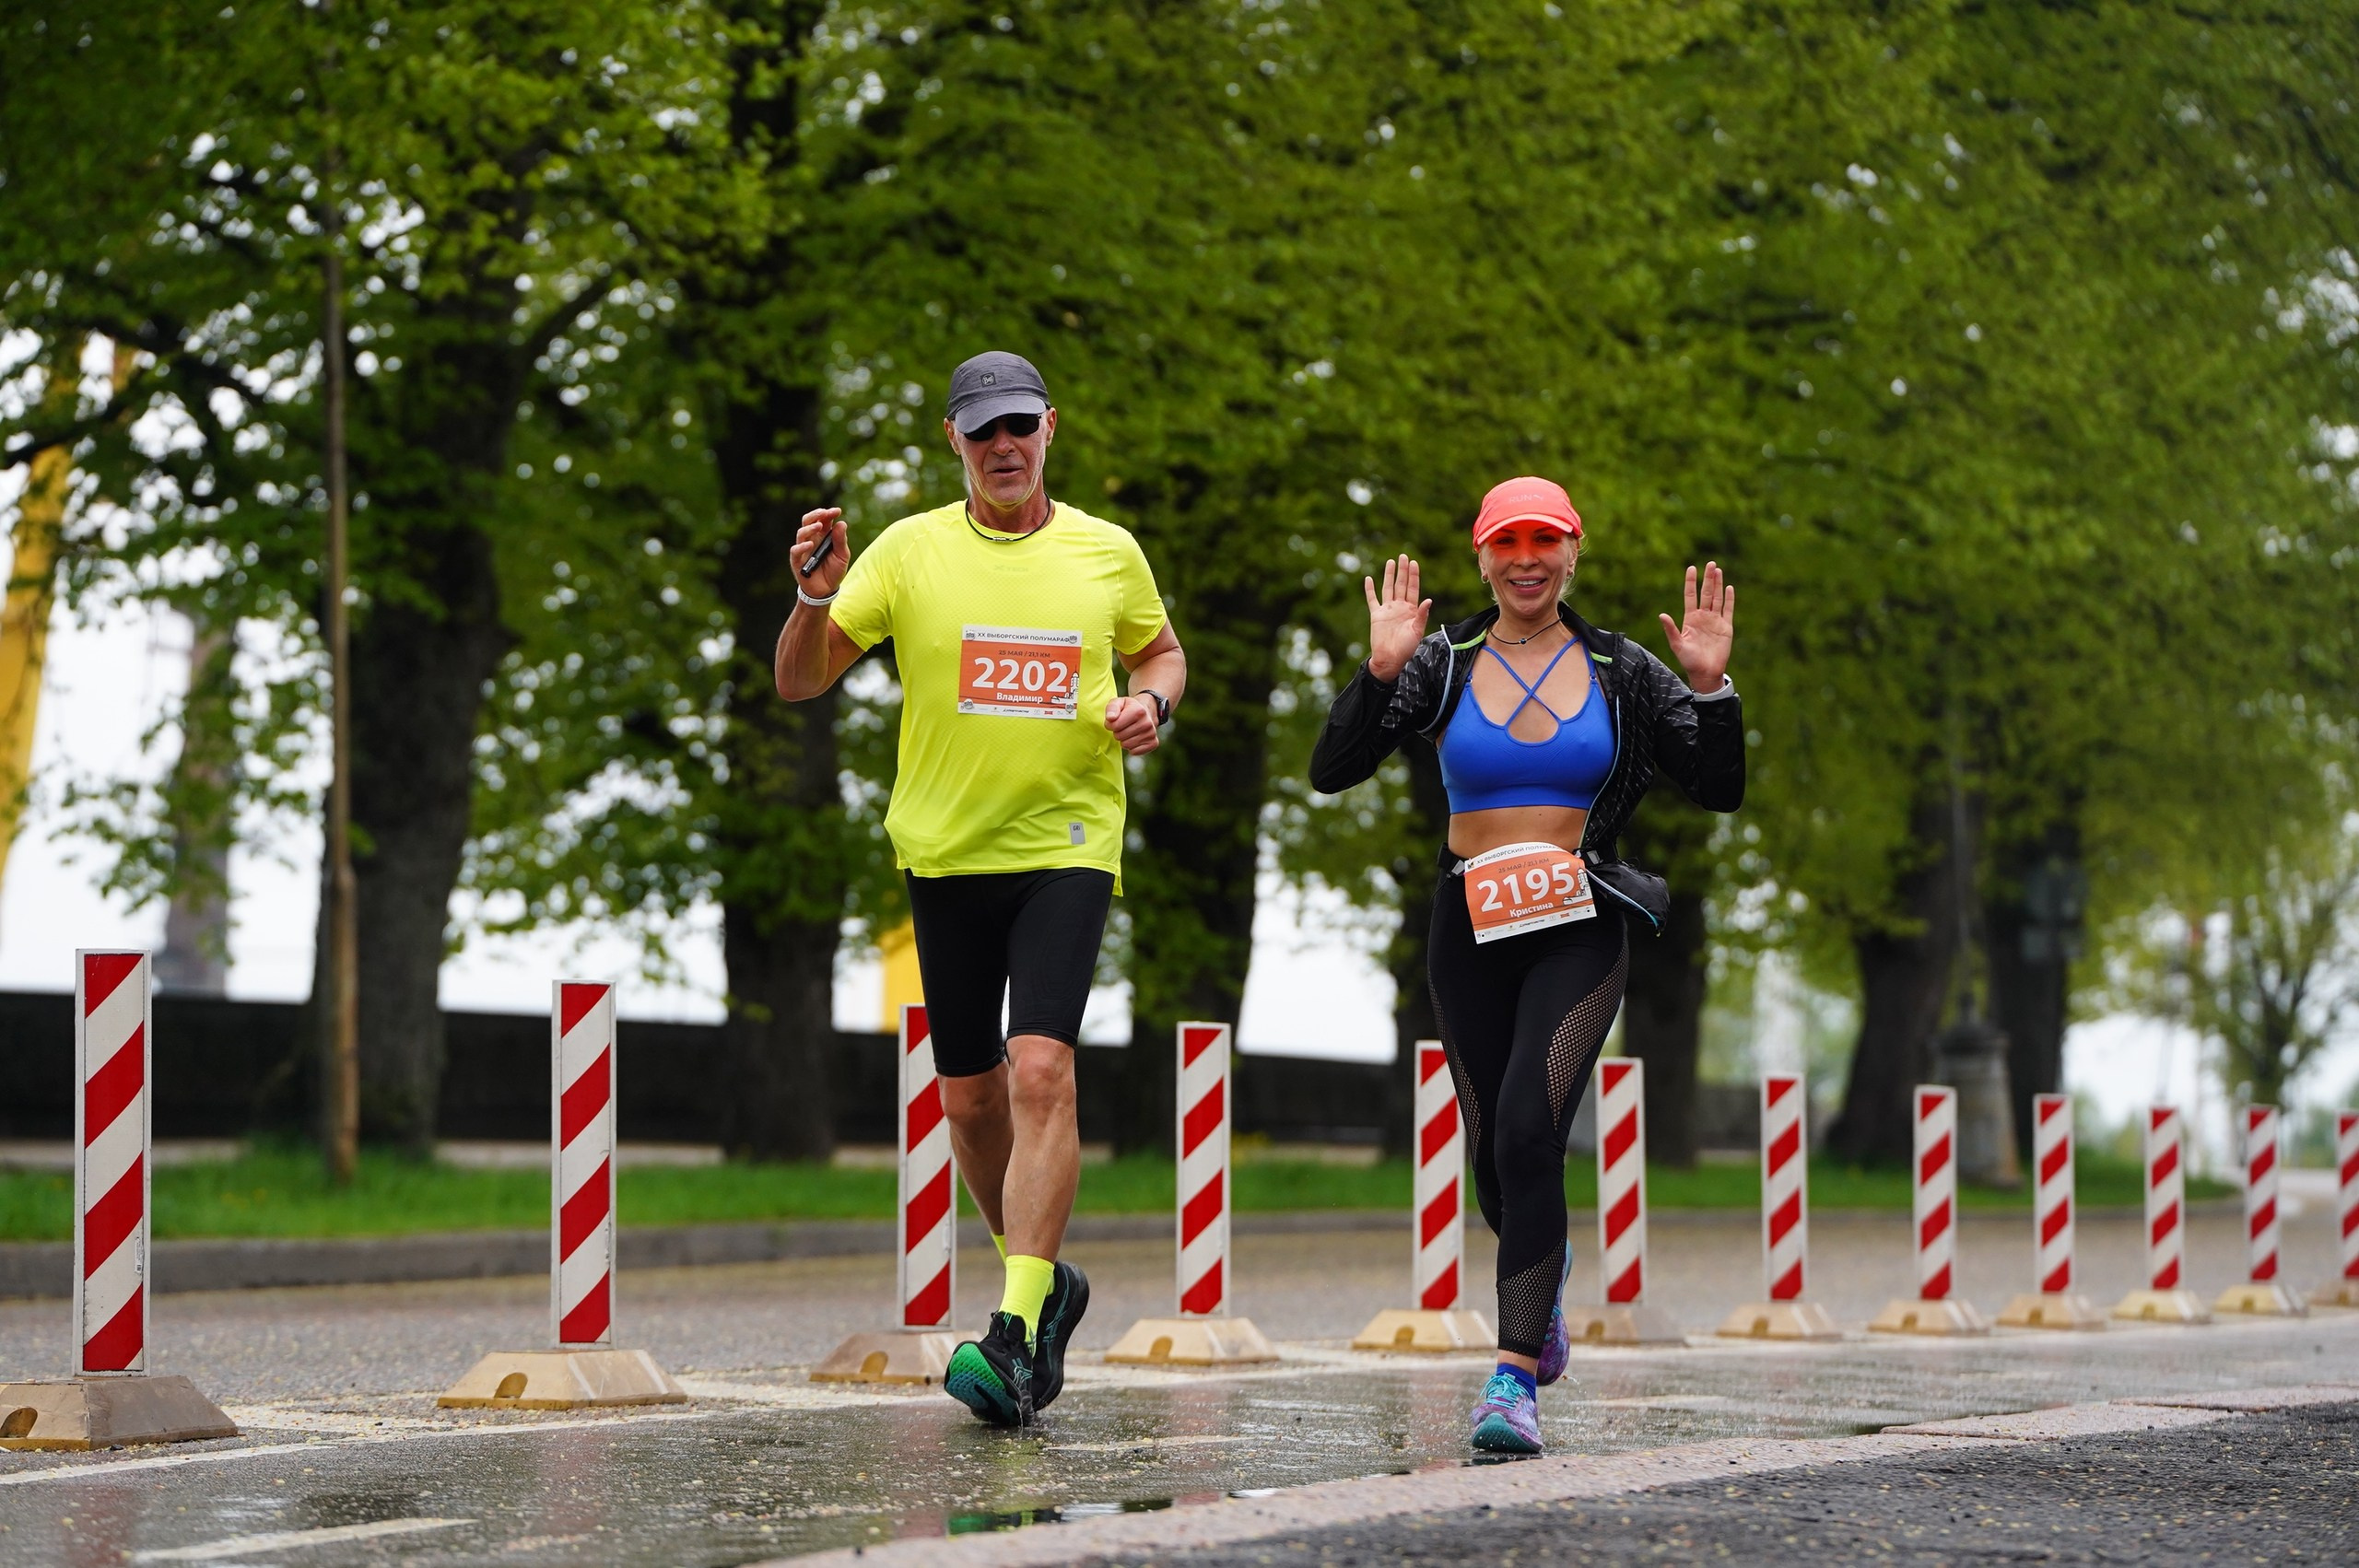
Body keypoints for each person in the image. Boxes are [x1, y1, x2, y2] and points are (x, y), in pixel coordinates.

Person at [774, 350, 1186, 1427]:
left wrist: (1153, 703)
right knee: (970, 1098)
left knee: (1041, 1068)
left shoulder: (1107, 551)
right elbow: (800, 678)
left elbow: (1164, 653)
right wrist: (814, 599)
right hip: (945, 852)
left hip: (1067, 844)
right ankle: (1045, 1285)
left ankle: (1009, 1330)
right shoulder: (909, 552)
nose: (1003, 447)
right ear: (953, 442)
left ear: (1051, 426)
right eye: (981, 432)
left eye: (1019, 427)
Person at [1310, 475, 1741, 1455]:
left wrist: (1710, 690)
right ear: (1482, 557)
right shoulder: (1443, 661)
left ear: (1573, 551)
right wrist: (1378, 675)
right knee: (1491, 1161)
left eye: (1545, 540)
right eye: (1508, 542)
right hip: (1467, 919)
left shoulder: (1620, 666)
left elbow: (1717, 786)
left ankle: (1511, 1380)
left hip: (1579, 919)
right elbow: (1331, 768)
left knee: (1526, 1126)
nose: (1527, 559)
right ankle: (1537, 1281)